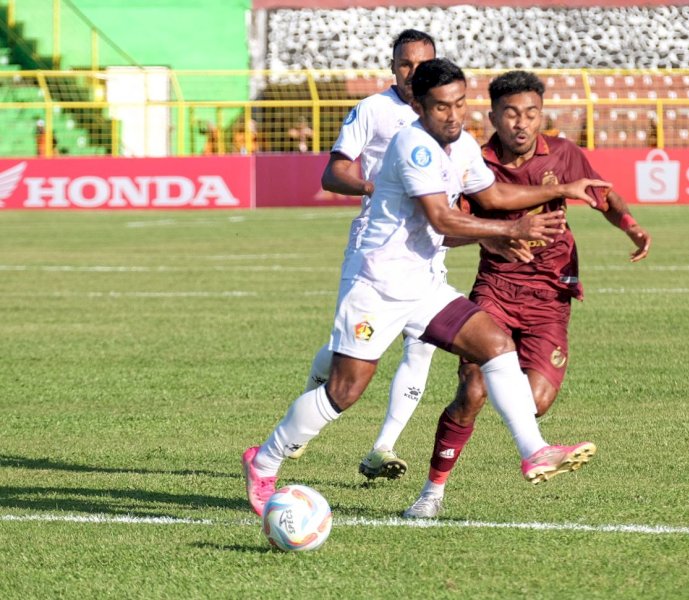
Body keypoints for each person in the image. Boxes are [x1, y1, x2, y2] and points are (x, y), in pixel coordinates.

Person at [242, 58, 610, 518]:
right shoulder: (413, 145)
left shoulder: (463, 146)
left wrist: (565, 189)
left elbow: (493, 195)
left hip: (423, 283)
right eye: (441, 107)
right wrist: (509, 232)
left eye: (460, 104)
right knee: (344, 391)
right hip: (377, 285)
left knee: (493, 344)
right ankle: (265, 460)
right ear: (418, 105)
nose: (454, 116)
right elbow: (443, 218)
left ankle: (533, 450)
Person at [403, 70, 651, 518]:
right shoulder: (472, 161)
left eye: (531, 113)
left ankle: (530, 445)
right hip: (496, 288)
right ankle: (431, 493)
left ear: (541, 115)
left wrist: (632, 228)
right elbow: (447, 228)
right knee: (473, 390)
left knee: (535, 402)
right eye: (512, 113)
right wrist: (490, 237)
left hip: (551, 294)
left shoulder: (564, 153)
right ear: (494, 115)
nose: (522, 123)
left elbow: (602, 195)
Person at [290, 29, 439, 480]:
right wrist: (377, 187)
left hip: (427, 247)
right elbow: (333, 174)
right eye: (405, 64)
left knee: (422, 345)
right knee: (348, 352)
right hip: (376, 247)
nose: (413, 73)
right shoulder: (373, 110)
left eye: (422, 64)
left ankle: (383, 446)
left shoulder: (444, 115)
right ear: (393, 67)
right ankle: (301, 423)